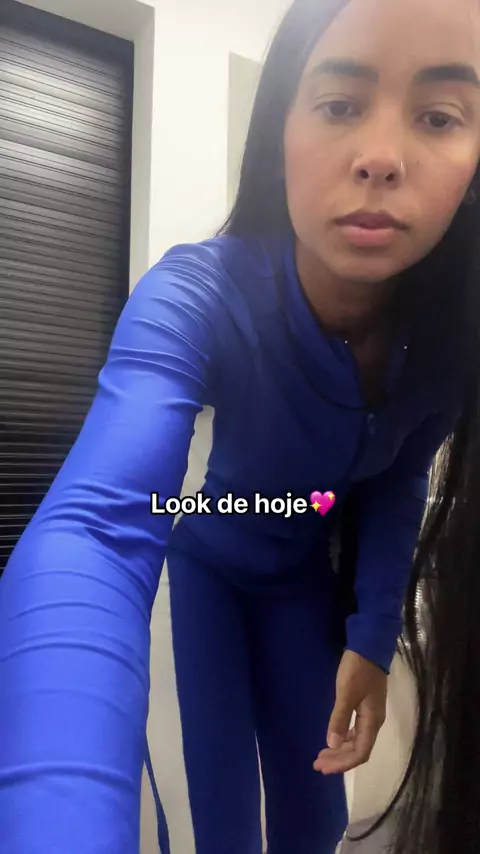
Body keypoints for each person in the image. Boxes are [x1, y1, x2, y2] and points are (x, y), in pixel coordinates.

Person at [1, 0, 479, 852]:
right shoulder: (200, 293)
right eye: (339, 103)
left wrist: (371, 640)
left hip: (299, 581)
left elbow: (400, 479)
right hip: (203, 571)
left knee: (316, 818)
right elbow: (97, 528)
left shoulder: (445, 342)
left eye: (439, 116)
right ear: (279, 133)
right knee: (217, 822)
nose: (380, 157)